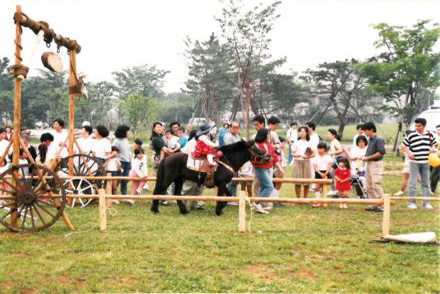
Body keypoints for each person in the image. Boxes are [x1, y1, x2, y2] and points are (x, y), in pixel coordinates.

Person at [402, 118, 437, 209]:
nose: (417, 127)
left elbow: (434, 144)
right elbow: (403, 146)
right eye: (416, 125)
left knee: (426, 183)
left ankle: (426, 203)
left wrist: (432, 148)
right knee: (412, 183)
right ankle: (411, 203)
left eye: (419, 126)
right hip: (414, 162)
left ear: (424, 126)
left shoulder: (429, 134)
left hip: (426, 162)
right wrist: (409, 153)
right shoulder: (411, 135)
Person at [251, 128, 283, 214]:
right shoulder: (256, 145)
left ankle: (259, 206)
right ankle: (257, 204)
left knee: (264, 187)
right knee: (269, 187)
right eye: (268, 135)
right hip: (260, 169)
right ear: (264, 136)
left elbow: (274, 157)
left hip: (269, 169)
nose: (269, 136)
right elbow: (252, 159)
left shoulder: (268, 144)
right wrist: (263, 159)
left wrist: (280, 168)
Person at [361, 122, 386, 212]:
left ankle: (383, 204)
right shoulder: (370, 140)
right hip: (369, 163)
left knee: (375, 184)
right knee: (368, 185)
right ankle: (374, 204)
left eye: (365, 131)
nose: (365, 133)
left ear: (371, 129)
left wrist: (368, 157)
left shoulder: (379, 140)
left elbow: (381, 152)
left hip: (376, 164)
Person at [291, 126, 315, 198]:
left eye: (303, 131)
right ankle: (298, 198)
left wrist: (308, 156)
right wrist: (296, 155)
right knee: (297, 182)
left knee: (307, 182)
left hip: (307, 162)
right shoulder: (296, 142)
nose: (301, 133)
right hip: (297, 162)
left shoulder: (309, 143)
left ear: (307, 133)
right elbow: (292, 153)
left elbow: (314, 153)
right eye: (300, 131)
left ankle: (305, 198)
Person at [312, 142, 333, 207]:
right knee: (317, 187)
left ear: (324, 149)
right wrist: (320, 173)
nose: (319, 150)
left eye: (320, 149)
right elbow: (315, 166)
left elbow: (329, 166)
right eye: (318, 148)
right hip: (318, 172)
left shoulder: (328, 157)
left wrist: (325, 173)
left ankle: (324, 202)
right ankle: (317, 202)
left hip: (326, 172)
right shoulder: (316, 157)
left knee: (324, 187)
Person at [224, 121, 241, 197]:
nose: (235, 129)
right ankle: (230, 198)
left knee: (235, 181)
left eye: (237, 127)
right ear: (230, 128)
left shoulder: (237, 136)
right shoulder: (228, 136)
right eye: (234, 127)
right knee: (232, 180)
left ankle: (233, 197)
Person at [113, 125, 132, 196]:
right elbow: (114, 153)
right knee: (117, 180)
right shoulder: (116, 141)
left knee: (125, 180)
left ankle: (123, 194)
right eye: (127, 131)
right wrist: (117, 164)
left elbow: (128, 152)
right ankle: (113, 195)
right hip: (120, 162)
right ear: (123, 132)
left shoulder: (125, 140)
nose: (128, 133)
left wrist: (130, 162)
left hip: (127, 162)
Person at [431, 124, 440, 194]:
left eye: (439, 130)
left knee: (435, 174)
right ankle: (432, 190)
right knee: (434, 174)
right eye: (437, 130)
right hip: (437, 159)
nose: (438, 131)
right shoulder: (436, 139)